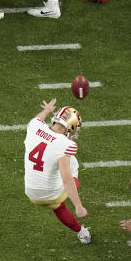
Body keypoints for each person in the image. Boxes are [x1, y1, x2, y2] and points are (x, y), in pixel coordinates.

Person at [23, 98, 90, 245]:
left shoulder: (34, 126)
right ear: (70, 128)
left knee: (58, 205)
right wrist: (79, 206)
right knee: (72, 165)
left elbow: (37, 119)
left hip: (30, 191)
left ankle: (81, 232)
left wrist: (47, 110)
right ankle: (82, 233)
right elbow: (67, 179)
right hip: (50, 194)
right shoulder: (66, 144)